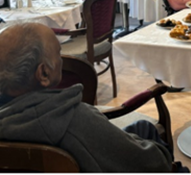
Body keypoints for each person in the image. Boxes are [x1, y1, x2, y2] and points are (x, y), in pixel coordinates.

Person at [0, 23, 174, 172]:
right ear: (44, 73)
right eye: (58, 53)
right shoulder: (74, 121)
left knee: (143, 128)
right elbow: (156, 166)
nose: (61, 60)